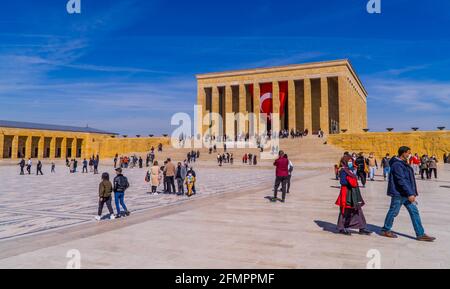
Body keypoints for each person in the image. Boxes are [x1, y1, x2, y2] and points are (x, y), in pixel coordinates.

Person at [381, 146, 435, 242]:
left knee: (414, 212)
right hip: (399, 193)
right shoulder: (397, 164)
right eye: (408, 153)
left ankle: (420, 234)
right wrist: (410, 193)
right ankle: (385, 229)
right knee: (393, 212)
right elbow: (401, 180)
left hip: (406, 193)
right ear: (403, 153)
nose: (409, 155)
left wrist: (411, 193)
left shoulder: (402, 163)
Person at [335, 156, 371, 236]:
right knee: (345, 211)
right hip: (347, 193)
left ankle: (362, 227)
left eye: (351, 161)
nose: (350, 162)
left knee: (358, 210)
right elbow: (343, 182)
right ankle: (342, 228)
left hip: (354, 193)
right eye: (349, 161)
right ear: (345, 162)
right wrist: (351, 181)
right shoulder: (343, 171)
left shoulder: (351, 170)